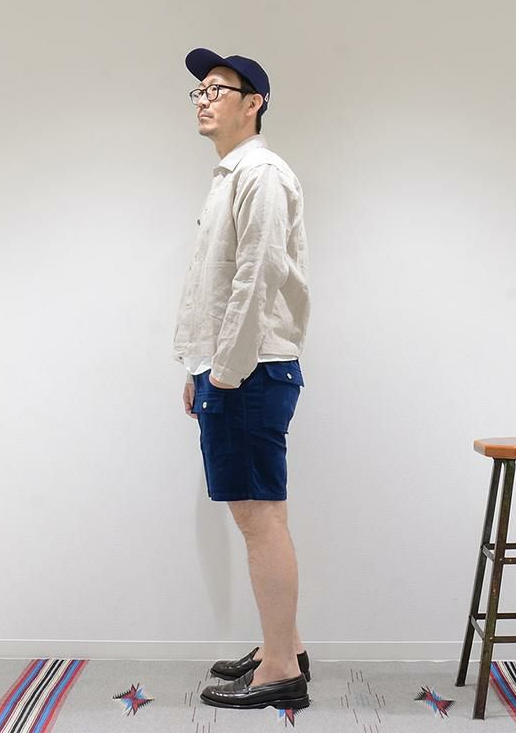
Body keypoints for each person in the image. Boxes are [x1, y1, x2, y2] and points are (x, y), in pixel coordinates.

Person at [171, 47, 311, 710]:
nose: (203, 100)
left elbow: (258, 277)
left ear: (254, 103)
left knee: (259, 520)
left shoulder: (260, 174)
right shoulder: (231, 175)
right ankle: (285, 646)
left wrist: (223, 372)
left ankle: (280, 670)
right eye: (198, 91)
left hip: (248, 371)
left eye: (217, 89)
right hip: (234, 368)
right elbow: (214, 285)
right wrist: (198, 364)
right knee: (262, 515)